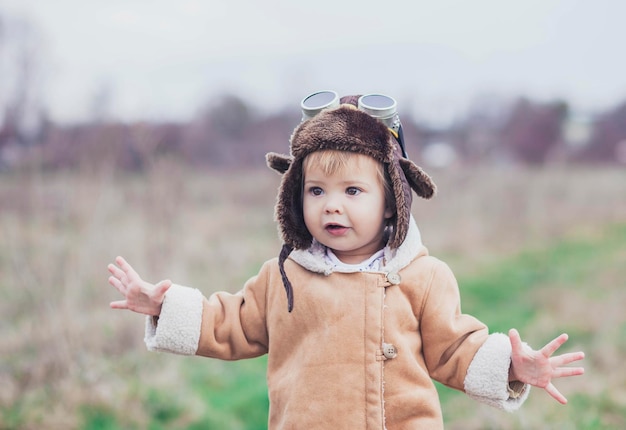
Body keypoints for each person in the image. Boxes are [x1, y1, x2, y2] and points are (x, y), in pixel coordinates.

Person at [107, 91, 585, 429]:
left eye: (353, 191)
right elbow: (233, 321)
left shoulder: (422, 275)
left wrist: (510, 367)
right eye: (316, 191)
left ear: (393, 199)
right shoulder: (285, 276)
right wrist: (163, 306)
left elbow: (454, 349)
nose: (331, 205)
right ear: (295, 198)